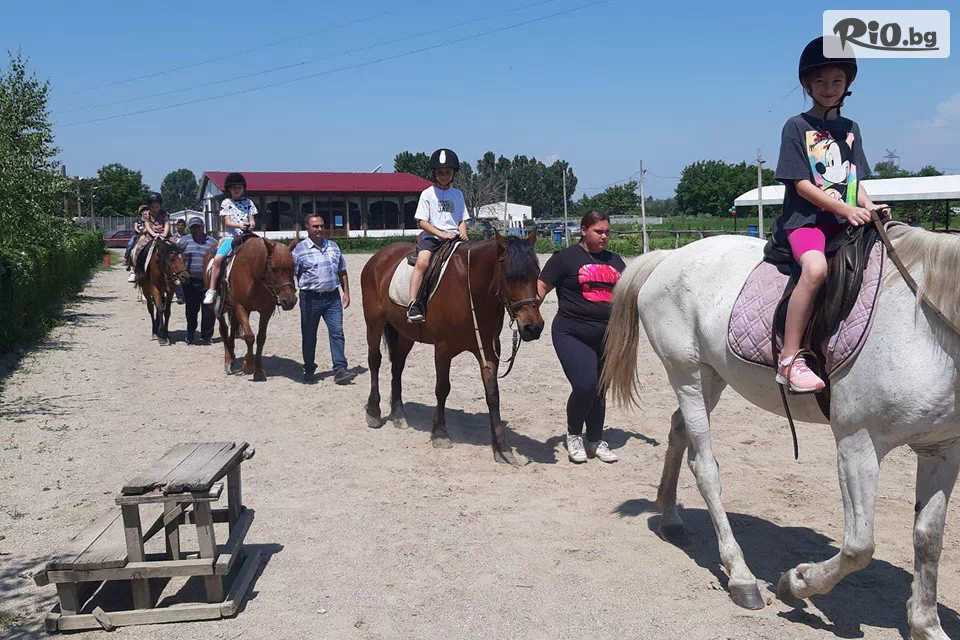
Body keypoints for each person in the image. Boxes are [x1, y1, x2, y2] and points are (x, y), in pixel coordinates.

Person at [773, 36, 887, 393]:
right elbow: (801, 185)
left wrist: (869, 206)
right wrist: (844, 208)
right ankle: (790, 358)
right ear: (807, 85)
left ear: (847, 84)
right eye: (820, 81)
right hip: (806, 222)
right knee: (816, 269)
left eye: (837, 81)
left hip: (844, 220)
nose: (829, 88)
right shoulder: (796, 126)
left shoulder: (851, 129)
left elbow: (853, 180)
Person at [537, 211, 626, 464]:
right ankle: (575, 435)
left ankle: (595, 439)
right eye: (598, 231)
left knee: (599, 389)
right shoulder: (564, 258)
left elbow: (628, 296)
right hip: (571, 332)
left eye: (607, 232)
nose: (604, 237)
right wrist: (527, 314)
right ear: (584, 230)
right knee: (585, 385)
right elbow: (540, 288)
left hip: (607, 336)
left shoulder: (616, 261)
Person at [406, 148, 469, 323]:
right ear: (434, 173)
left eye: (447, 172)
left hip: (455, 239)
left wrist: (463, 232)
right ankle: (413, 303)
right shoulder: (427, 194)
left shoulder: (458, 194)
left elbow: (462, 219)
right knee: (422, 262)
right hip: (432, 238)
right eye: (440, 172)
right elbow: (422, 222)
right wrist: (441, 234)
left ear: (453, 173)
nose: (444, 176)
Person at [292, 214, 356, 385]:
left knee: (337, 333)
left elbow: (342, 271)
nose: (319, 229)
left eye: (321, 226)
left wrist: (346, 292)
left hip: (332, 298)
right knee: (309, 335)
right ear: (307, 228)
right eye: (315, 226)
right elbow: (291, 274)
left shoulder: (333, 246)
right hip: (310, 299)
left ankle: (340, 369)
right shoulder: (299, 250)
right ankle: (309, 368)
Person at [204, 173, 256, 305]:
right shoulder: (226, 203)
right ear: (229, 189)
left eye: (239, 187)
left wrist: (251, 225)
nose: (237, 190)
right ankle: (212, 289)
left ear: (243, 188)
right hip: (232, 237)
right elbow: (227, 222)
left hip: (248, 235)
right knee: (218, 259)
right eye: (234, 188)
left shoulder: (249, 202)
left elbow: (252, 220)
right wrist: (239, 225)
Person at [177, 216, 218, 344]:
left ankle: (207, 336)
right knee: (191, 310)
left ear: (203, 227)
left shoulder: (212, 242)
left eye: (198, 227)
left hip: (207, 282)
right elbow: (176, 257)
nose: (195, 229)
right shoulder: (183, 241)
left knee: (208, 310)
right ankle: (190, 332)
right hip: (190, 281)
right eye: (193, 227)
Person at [132, 193, 170, 276]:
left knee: (176, 247)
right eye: (153, 207)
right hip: (151, 235)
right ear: (149, 206)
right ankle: (136, 270)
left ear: (160, 205)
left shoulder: (164, 213)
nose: (155, 209)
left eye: (157, 207)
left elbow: (167, 224)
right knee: (139, 248)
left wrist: (164, 234)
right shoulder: (145, 214)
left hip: (165, 234)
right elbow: (147, 226)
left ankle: (179, 271)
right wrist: (154, 234)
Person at [125, 206, 148, 282]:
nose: (146, 212)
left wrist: (144, 231)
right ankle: (127, 259)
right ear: (141, 212)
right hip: (137, 234)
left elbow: (147, 227)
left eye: (147, 210)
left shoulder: (149, 219)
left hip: (145, 234)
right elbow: (135, 227)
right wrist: (138, 231)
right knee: (130, 244)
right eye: (144, 211)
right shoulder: (137, 219)